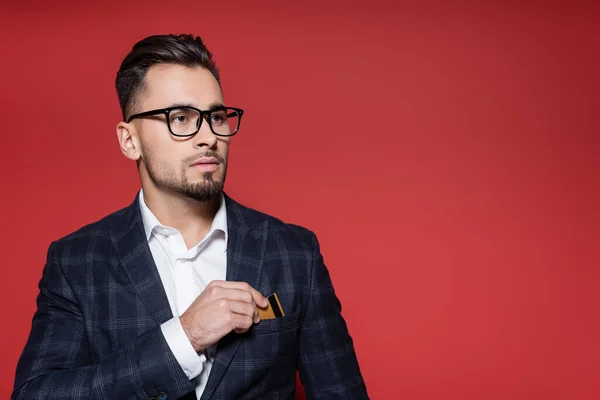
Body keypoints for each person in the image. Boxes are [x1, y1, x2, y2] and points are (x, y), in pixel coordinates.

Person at [12, 34, 368, 400]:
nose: (208, 137)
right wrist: (183, 338)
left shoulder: (294, 253)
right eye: (180, 118)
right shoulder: (77, 261)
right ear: (129, 140)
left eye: (216, 117)